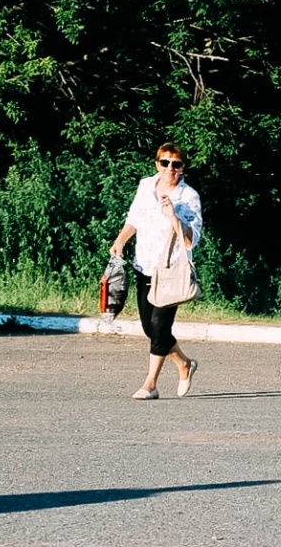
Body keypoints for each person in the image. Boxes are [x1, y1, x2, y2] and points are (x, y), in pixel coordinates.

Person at [110, 143, 203, 400]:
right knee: (150, 329)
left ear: (183, 167)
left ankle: (150, 384)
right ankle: (184, 363)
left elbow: (191, 239)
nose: (170, 169)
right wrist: (120, 240)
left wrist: (174, 217)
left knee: (159, 325)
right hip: (144, 265)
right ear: (157, 164)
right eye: (165, 163)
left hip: (171, 271)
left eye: (176, 164)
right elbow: (134, 219)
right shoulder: (145, 186)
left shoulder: (188, 196)